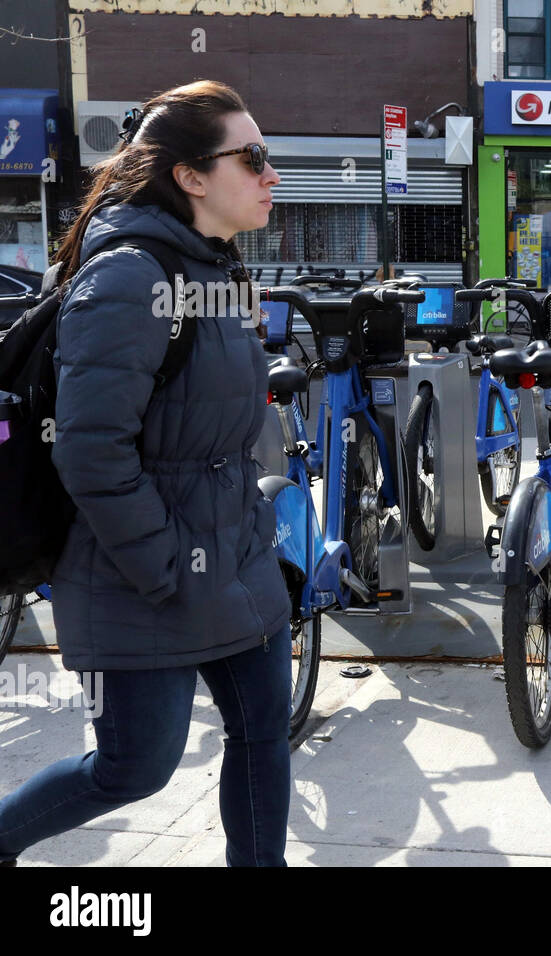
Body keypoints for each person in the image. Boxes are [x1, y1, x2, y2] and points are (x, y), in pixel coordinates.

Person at [0, 80, 292, 867]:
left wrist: (252, 534)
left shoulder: (222, 269)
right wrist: (166, 565)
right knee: (133, 768)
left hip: (237, 562)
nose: (272, 175)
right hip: (141, 576)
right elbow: (91, 452)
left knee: (264, 735)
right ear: (192, 176)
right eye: (253, 157)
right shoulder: (127, 280)